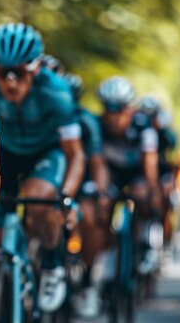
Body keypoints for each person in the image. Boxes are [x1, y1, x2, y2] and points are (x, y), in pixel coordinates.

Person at [0, 23, 85, 316]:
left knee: (40, 200)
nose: (11, 83)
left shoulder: (57, 92)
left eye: (20, 74)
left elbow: (75, 155)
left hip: (45, 153)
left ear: (35, 69)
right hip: (4, 154)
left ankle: (52, 262)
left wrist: (65, 196)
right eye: (3, 74)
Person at [97, 77, 162, 275]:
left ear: (131, 108)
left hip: (137, 172)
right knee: (103, 205)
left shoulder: (144, 126)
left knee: (143, 197)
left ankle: (145, 243)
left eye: (120, 108)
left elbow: (150, 162)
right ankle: (106, 254)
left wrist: (152, 189)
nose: (114, 114)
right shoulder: (98, 126)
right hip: (113, 174)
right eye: (109, 108)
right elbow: (98, 164)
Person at [63, 72, 111, 317]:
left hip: (84, 181)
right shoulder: (45, 114)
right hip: (55, 177)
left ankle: (90, 276)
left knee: (91, 219)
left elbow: (97, 162)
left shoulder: (87, 121)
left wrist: (100, 193)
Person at [139, 96, 177, 252]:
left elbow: (170, 160)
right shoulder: (139, 129)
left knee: (164, 200)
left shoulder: (166, 135)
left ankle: (166, 239)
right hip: (142, 170)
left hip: (162, 170)